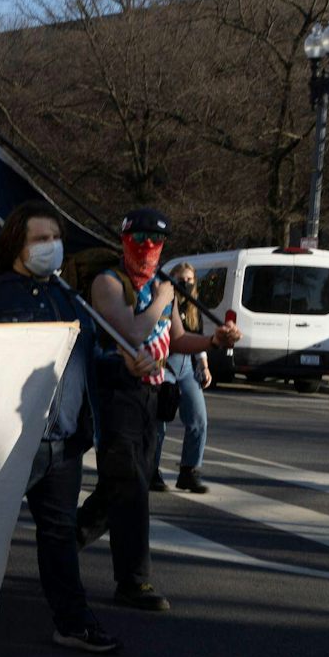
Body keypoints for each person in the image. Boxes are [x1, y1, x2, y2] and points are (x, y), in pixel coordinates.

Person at [0, 203, 117, 653]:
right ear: (15, 245)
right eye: (40, 239)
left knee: (59, 537)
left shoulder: (71, 300)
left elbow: (88, 360)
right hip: (8, 444)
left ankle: (72, 621)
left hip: (63, 443)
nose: (52, 247)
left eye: (55, 238)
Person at [75, 208, 239, 612]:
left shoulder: (161, 287)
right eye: (140, 240)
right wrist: (164, 298)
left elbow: (177, 338)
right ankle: (134, 581)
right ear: (124, 241)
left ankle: (63, 542)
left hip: (152, 396)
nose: (148, 248)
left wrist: (214, 342)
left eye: (156, 241)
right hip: (116, 393)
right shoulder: (109, 283)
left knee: (121, 486)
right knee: (130, 484)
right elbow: (129, 331)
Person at [154, 261, 211, 494]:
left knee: (198, 418)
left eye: (189, 280)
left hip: (187, 364)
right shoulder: (164, 299)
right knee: (160, 419)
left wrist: (204, 366)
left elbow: (197, 338)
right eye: (181, 279)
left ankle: (189, 471)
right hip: (166, 361)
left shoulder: (195, 306)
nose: (185, 283)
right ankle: (150, 470)